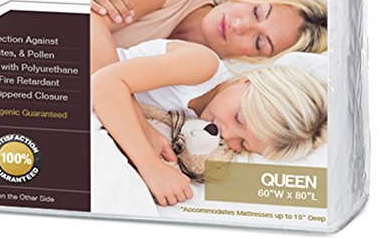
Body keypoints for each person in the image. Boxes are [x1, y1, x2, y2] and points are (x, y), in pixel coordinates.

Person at [92, 38, 327, 207]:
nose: (227, 134)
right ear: (245, 82)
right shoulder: (203, 66)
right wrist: (150, 165)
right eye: (238, 119)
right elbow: (105, 82)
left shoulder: (202, 132)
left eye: (243, 143)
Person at [90, 0, 327, 72]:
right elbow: (90, 19)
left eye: (259, 42)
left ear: (257, 61)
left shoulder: (197, 75)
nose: (240, 25)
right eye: (256, 12)